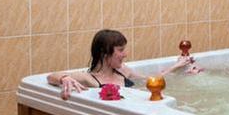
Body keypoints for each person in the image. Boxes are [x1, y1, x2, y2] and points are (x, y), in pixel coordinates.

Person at [47, 29, 191, 100]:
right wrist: (64, 78)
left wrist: (177, 67)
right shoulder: (89, 78)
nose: (125, 54)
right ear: (105, 52)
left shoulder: (123, 70)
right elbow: (50, 76)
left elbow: (152, 80)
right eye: (120, 50)